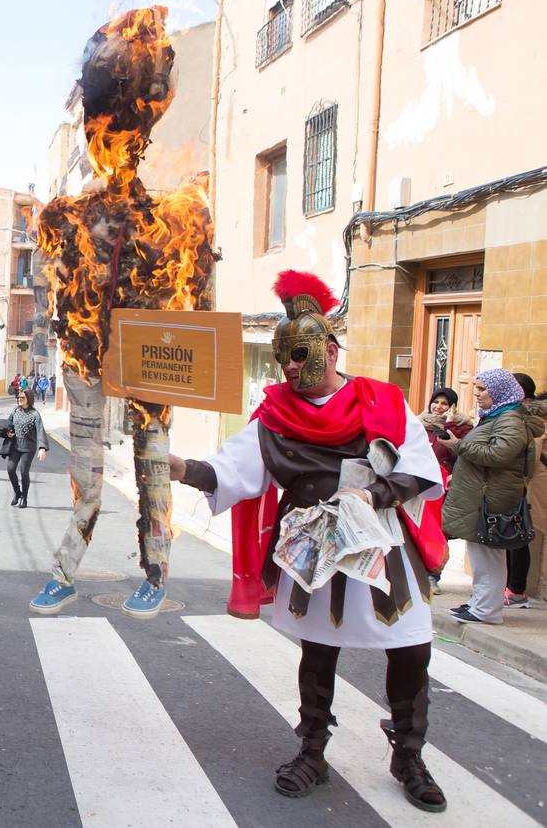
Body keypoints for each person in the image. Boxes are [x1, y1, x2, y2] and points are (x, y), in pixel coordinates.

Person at [167, 271, 448, 812]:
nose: (290, 367)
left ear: (332, 349)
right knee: (318, 654)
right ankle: (312, 752)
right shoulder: (275, 415)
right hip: (314, 550)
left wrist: (378, 494)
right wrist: (177, 467)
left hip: (382, 547)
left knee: (411, 651)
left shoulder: (384, 401)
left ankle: (408, 756)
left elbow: (421, 468)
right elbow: (229, 471)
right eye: (283, 358)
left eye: (299, 354)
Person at [441, 369, 541, 624]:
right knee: (481, 554)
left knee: (489, 556)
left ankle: (486, 610)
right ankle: (480, 603)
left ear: (499, 392)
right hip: (483, 497)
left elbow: (499, 455)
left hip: (492, 499)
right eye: (477, 388)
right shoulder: (497, 416)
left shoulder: (509, 419)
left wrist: (459, 446)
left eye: (483, 389)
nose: (477, 393)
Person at [419, 387, 474, 595]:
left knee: (437, 533)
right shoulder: (419, 422)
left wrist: (449, 429)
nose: (439, 407)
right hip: (419, 484)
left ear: (452, 407)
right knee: (417, 531)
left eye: (444, 403)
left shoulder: (461, 429)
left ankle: (433, 577)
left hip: (444, 486)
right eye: (436, 402)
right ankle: (417, 574)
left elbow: (466, 456)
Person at [507, 374, 545, 608]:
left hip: (531, 488)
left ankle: (516, 589)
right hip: (518, 486)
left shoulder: (534, 421)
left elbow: (530, 456)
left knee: (518, 536)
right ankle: (513, 587)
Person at [5, 387, 48, 508]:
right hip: (15, 446)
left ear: (29, 399)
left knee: (24, 472)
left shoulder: (35, 414)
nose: (19, 399)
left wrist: (42, 448)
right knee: (10, 469)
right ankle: (17, 493)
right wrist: (8, 432)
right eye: (18, 397)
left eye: (22, 397)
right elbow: (8, 425)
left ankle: (24, 498)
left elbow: (40, 431)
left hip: (28, 448)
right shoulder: (15, 411)